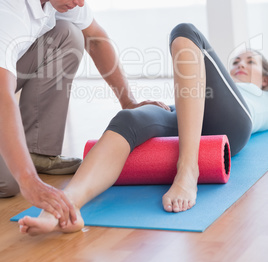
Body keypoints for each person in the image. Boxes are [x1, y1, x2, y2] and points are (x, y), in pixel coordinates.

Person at [18, 22, 268, 236]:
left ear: (265, 79)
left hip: (232, 123)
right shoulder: (215, 84)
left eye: (250, 62)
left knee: (184, 31)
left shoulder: (260, 96)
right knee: (130, 118)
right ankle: (63, 207)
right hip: (183, 112)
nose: (240, 65)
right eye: (235, 61)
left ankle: (188, 169)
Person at [0, 0, 169, 228]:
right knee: (11, 183)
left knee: (69, 35)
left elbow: (97, 39)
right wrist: (27, 180)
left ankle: (38, 152)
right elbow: (3, 97)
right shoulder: (8, 2)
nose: (80, 2)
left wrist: (128, 102)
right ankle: (25, 169)